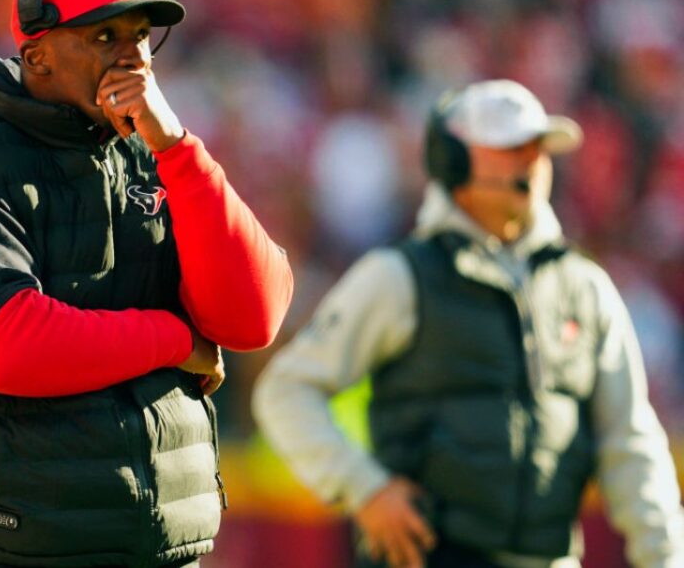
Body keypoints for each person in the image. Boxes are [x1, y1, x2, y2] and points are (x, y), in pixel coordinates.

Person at [0, 0, 294, 568]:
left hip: (167, 546)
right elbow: (5, 344)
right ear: (38, 56)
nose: (131, 55)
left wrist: (179, 150)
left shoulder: (158, 157)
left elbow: (253, 317)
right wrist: (171, 338)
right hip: (18, 548)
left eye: (139, 35)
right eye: (103, 36)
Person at [253, 80, 684, 568]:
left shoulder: (585, 287)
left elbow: (630, 439)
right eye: (508, 149)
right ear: (452, 161)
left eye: (537, 148)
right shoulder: (399, 276)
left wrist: (664, 557)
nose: (529, 163)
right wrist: (364, 488)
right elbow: (286, 390)